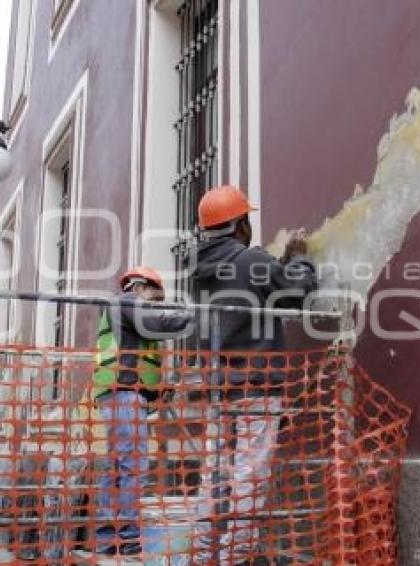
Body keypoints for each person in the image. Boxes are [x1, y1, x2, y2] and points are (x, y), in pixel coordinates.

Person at [191, 185, 317, 563]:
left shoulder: (200, 271)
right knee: (250, 475)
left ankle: (201, 557)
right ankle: (235, 558)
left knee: (214, 479)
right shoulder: (248, 261)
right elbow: (298, 292)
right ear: (238, 224)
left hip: (218, 390)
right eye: (246, 219)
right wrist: (299, 260)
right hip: (255, 387)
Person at [92, 266, 193, 556]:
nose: (158, 305)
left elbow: (138, 356)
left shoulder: (126, 312)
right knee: (132, 464)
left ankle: (109, 539)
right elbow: (157, 322)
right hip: (123, 393)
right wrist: (194, 315)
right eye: (156, 297)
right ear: (138, 286)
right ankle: (128, 538)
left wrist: (157, 389)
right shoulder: (126, 302)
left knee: (117, 465)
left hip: (121, 393)